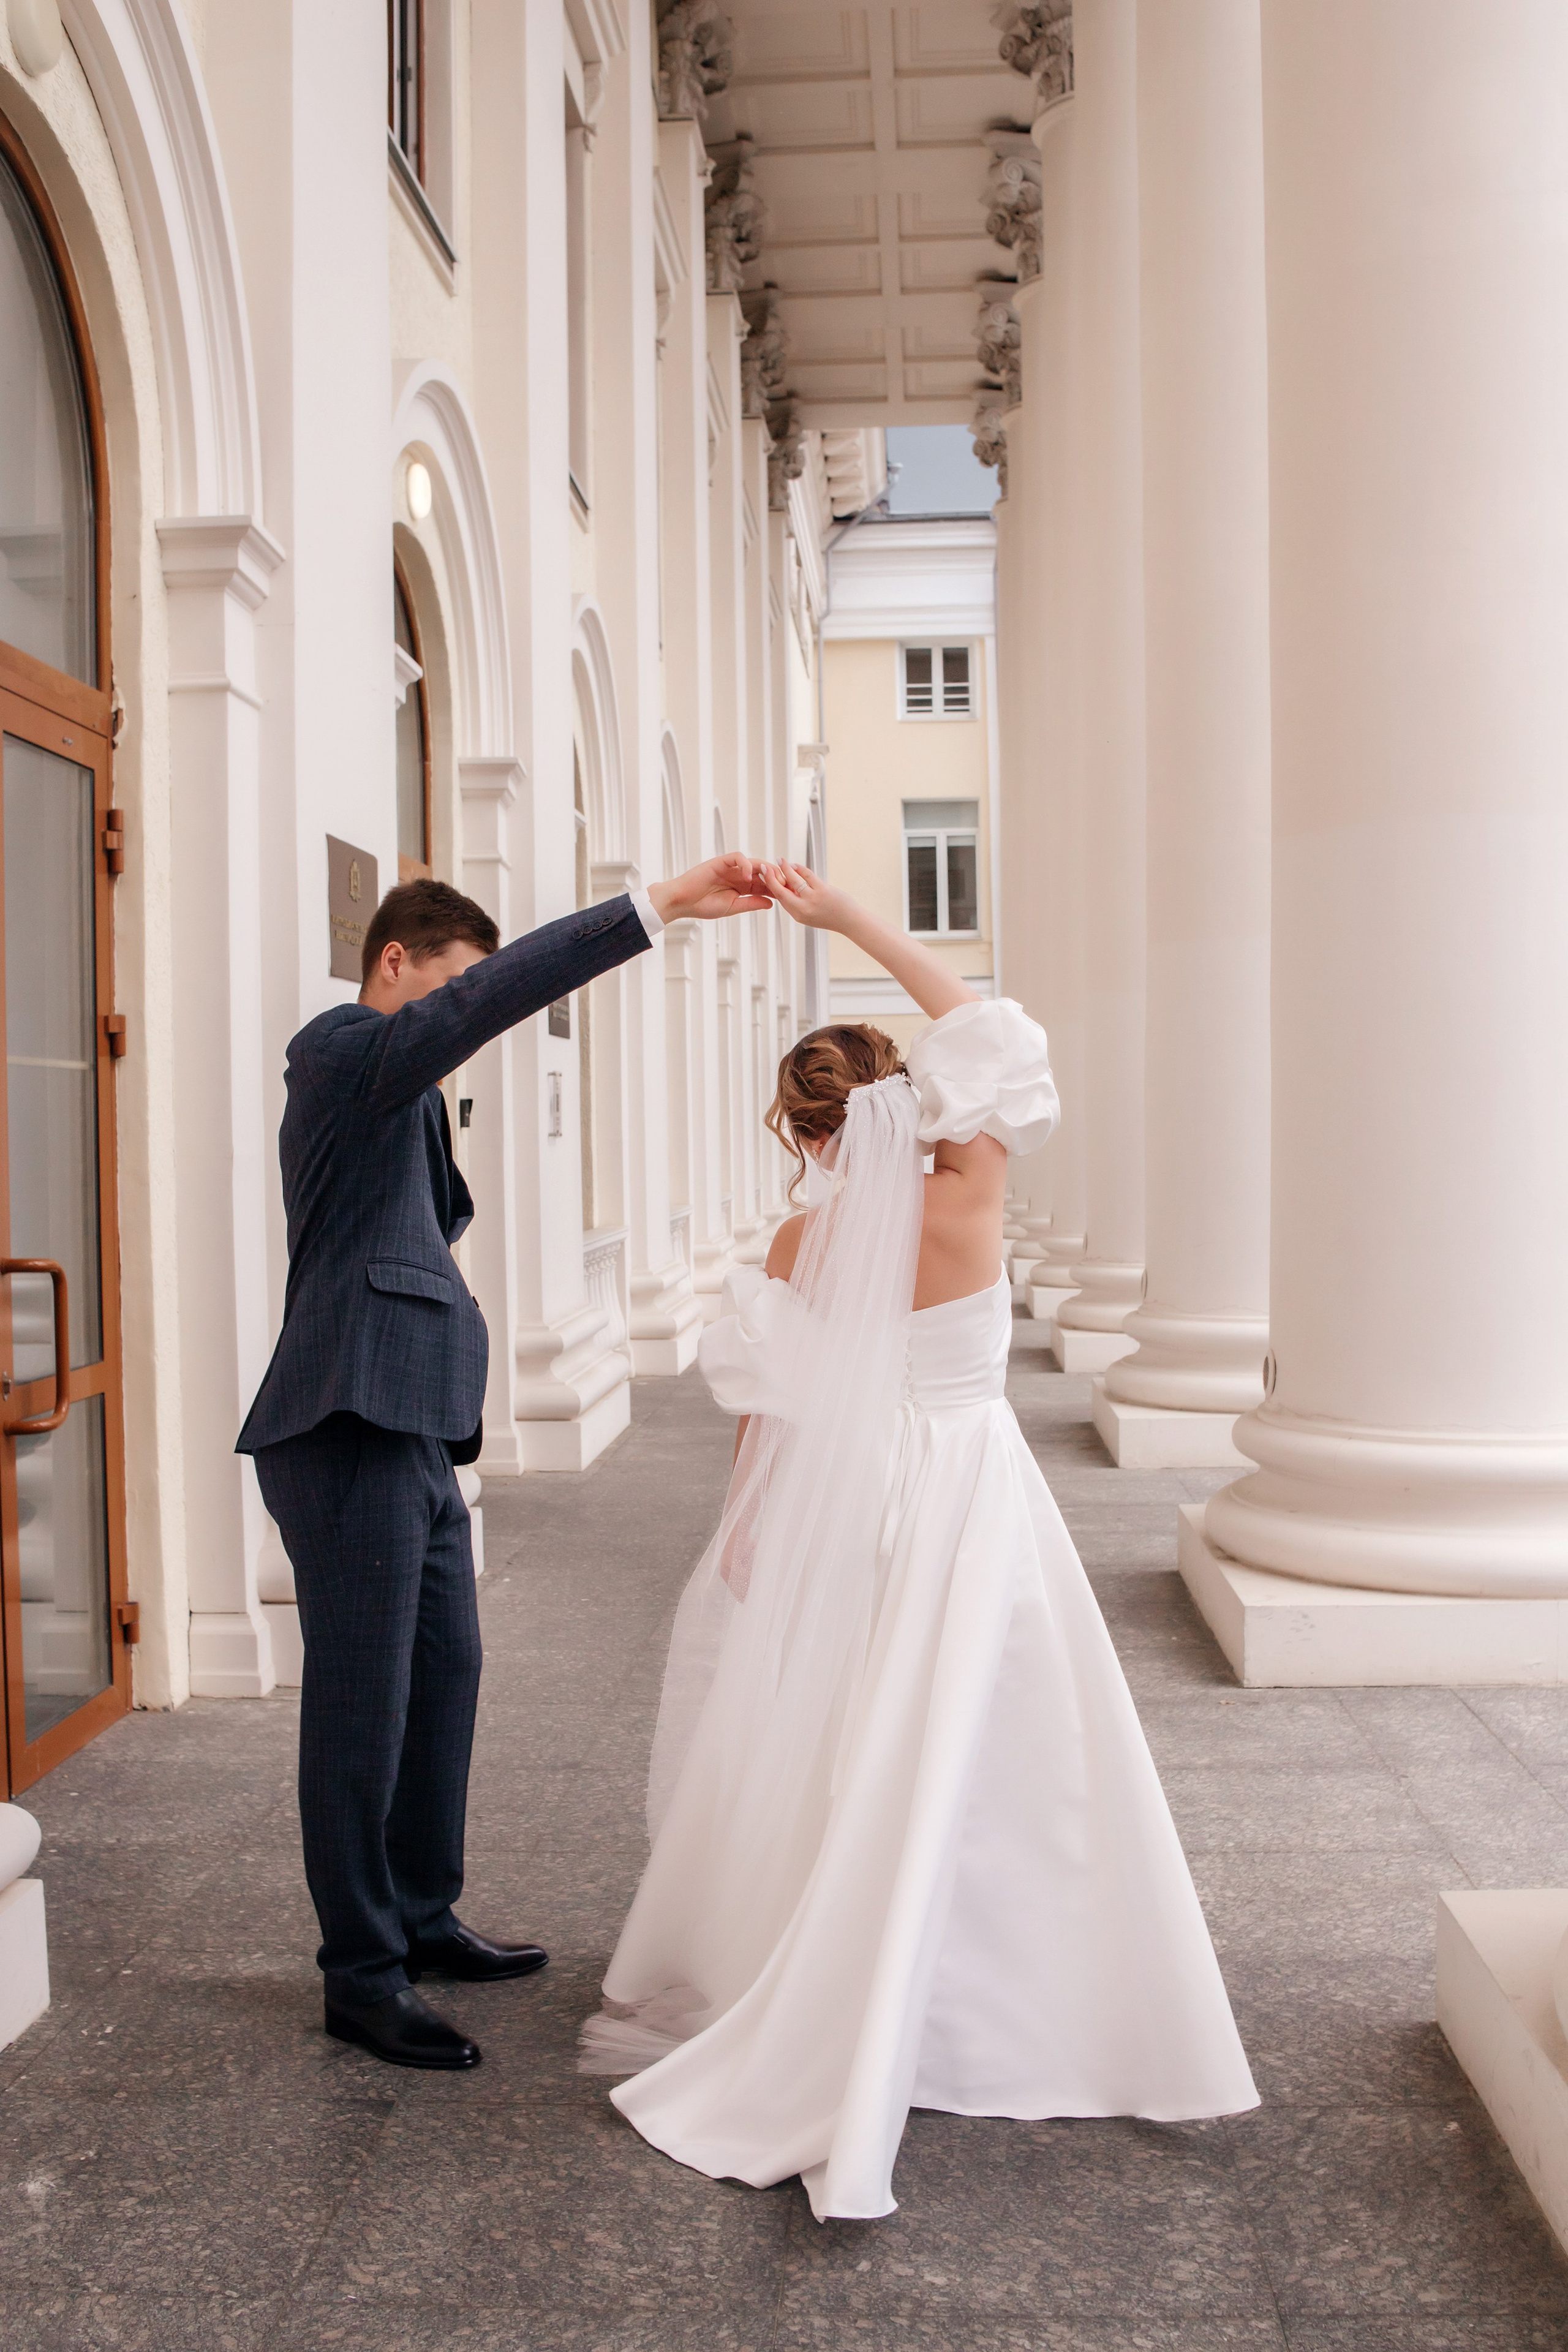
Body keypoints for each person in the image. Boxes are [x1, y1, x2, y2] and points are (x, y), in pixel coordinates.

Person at [582, 863, 1257, 2218]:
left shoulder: (796, 1246)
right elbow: (993, 1031)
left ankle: (834, 1966)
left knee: (855, 1735)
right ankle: (985, 1996)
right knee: (992, 1733)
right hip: (969, 1485)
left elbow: (767, 1415)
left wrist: (747, 1538)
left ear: (803, 1131)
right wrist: (847, 922)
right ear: (910, 1099)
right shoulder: (972, 1195)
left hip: (854, 1498)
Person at [238, 855, 769, 2071]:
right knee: (362, 1711)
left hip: (412, 1425)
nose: (459, 1019)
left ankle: (421, 1916)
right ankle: (361, 1973)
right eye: (448, 989)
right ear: (394, 964)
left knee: (445, 1678)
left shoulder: (406, 1098)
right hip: (346, 1425)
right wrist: (657, 907)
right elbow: (483, 1004)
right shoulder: (340, 1051)